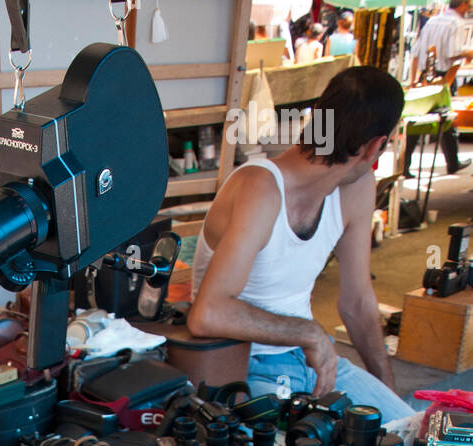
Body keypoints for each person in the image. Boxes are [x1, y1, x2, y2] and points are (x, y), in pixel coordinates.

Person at [189, 66, 412, 421]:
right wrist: (308, 333)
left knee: (409, 436)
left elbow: (357, 302)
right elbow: (207, 314)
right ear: (377, 146)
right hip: (246, 362)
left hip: (313, 362)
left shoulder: (357, 187)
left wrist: (386, 390)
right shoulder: (260, 187)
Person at [406, 0, 473, 175]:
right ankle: (452, 162)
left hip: (425, 75)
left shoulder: (433, 20)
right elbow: (453, 54)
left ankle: (405, 164)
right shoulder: (456, 23)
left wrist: (414, 79)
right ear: (463, 4)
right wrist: (468, 53)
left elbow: (416, 52)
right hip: (443, 76)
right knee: (446, 118)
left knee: (418, 117)